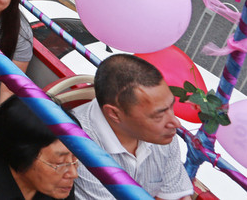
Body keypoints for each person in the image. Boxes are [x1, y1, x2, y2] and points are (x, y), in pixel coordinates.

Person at [72, 54, 192, 200]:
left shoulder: (164, 134)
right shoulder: (76, 147)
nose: (176, 123)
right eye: (158, 115)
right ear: (114, 114)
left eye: (171, 107)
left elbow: (177, 195)